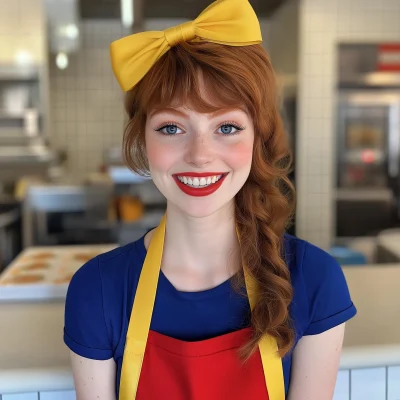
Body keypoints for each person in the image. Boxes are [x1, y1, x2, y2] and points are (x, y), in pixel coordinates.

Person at [64, 0, 357, 399]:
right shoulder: (96, 291)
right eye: (171, 127)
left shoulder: (314, 280)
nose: (200, 154)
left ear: (257, 140)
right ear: (142, 142)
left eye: (227, 127)